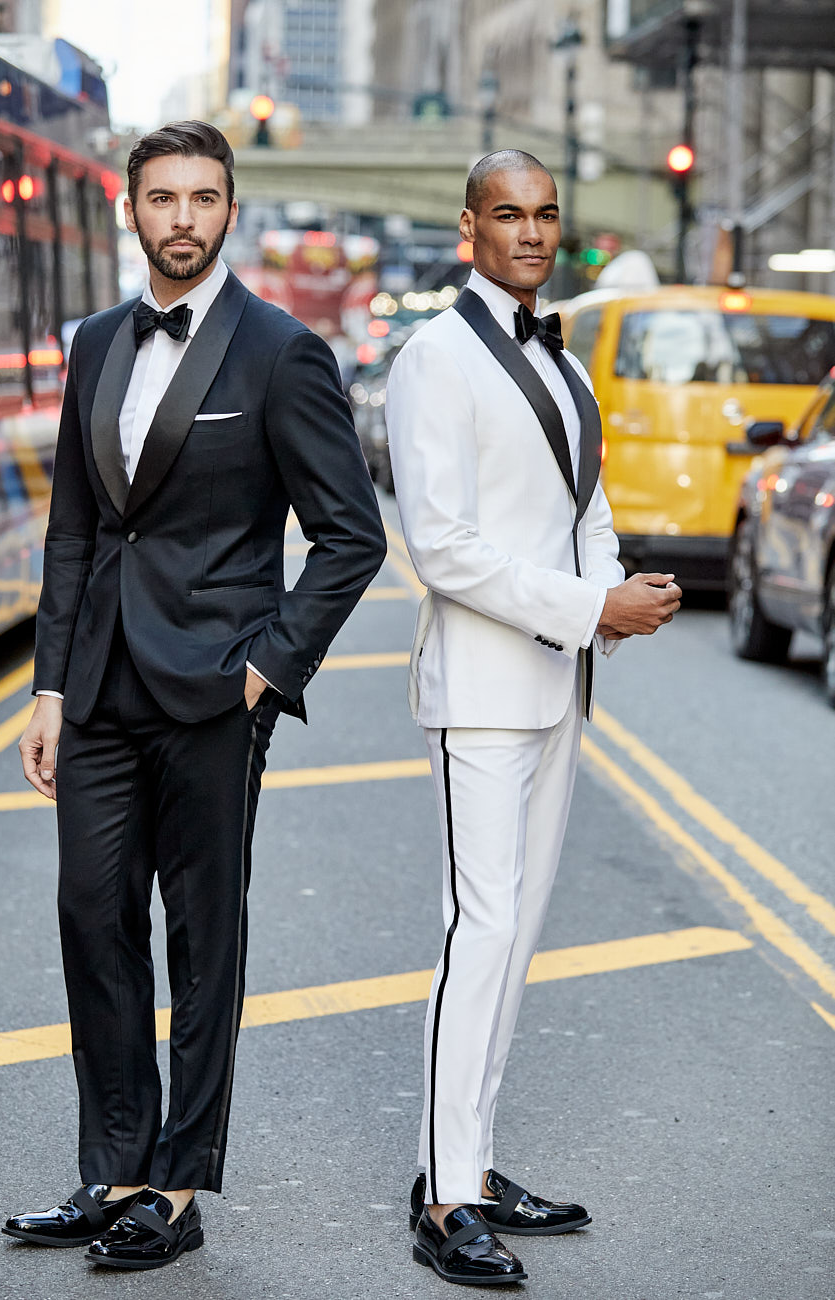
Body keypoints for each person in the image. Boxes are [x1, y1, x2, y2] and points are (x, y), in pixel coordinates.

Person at [4, 120, 386, 1271]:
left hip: (217, 695)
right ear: (130, 209)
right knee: (90, 917)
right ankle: (112, 1166)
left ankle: (174, 1185)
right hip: (100, 689)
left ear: (230, 211)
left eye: (202, 198)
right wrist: (48, 685)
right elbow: (76, 528)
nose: (181, 217)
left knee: (202, 943)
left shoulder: (280, 350)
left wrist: (268, 669)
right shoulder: (91, 344)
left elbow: (348, 536)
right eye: (161, 197)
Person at [386, 149, 680, 1287]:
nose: (530, 232)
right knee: (482, 930)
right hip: (478, 693)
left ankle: (475, 1156)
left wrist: (606, 608)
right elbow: (443, 548)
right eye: (506, 214)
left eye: (545, 214)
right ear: (468, 228)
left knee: (516, 942)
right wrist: (584, 604)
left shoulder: (561, 364)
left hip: (557, 679)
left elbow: (585, 509)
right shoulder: (431, 359)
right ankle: (443, 1192)